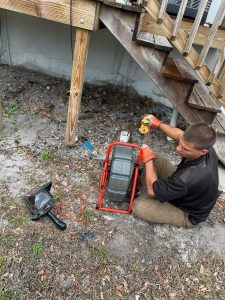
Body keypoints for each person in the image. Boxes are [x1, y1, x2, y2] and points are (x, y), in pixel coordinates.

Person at [132, 114, 219, 228]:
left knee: (139, 206)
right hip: (187, 191)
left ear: (203, 152)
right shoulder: (203, 143)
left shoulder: (187, 178)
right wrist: (158, 123)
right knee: (155, 158)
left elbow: (152, 191)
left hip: (187, 212)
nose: (178, 149)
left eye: (185, 149)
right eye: (180, 144)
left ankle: (150, 192)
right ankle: (151, 188)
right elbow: (179, 135)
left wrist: (147, 160)